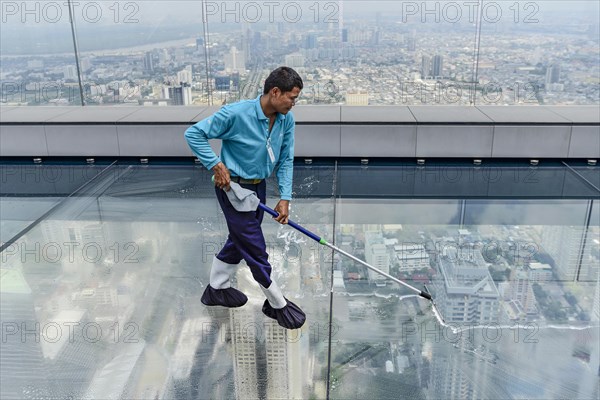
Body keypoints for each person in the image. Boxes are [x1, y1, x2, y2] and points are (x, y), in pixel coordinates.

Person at [184, 67, 305, 330]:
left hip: (257, 189)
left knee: (240, 240)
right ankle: (276, 304)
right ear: (275, 92)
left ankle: (216, 288)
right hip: (233, 191)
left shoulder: (286, 120)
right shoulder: (236, 113)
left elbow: (286, 159)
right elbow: (193, 134)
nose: (293, 104)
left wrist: (285, 197)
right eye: (291, 98)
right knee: (255, 248)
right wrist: (216, 165)